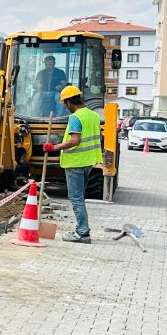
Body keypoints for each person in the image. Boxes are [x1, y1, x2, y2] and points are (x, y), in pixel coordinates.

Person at [43, 85, 101, 244]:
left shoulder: (76, 117)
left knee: (76, 199)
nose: (65, 107)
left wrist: (53, 147)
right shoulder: (93, 115)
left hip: (75, 163)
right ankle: (81, 229)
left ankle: (83, 233)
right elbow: (98, 136)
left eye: (65, 104)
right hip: (89, 161)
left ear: (69, 102)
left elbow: (75, 140)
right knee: (80, 198)